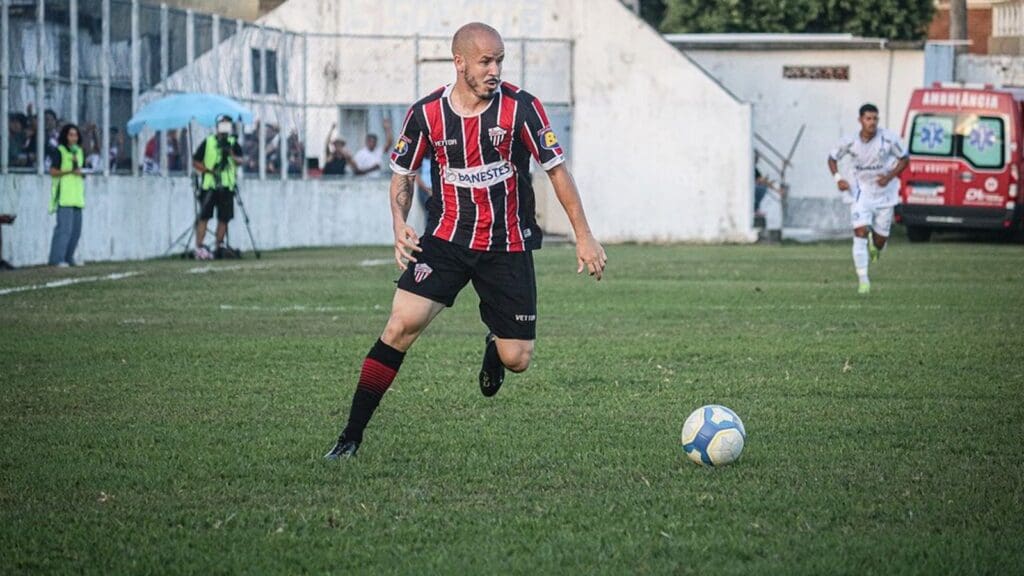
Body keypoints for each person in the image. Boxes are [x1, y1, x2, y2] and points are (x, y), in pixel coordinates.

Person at [324, 22, 607, 460]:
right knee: (399, 326)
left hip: (507, 244)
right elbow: (403, 173)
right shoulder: (426, 114)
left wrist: (583, 236)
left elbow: (556, 171)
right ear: (460, 63)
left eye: (499, 61)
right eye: (485, 61)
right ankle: (351, 435)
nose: (494, 70)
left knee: (518, 359)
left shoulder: (522, 110)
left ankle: (495, 344)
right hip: (446, 240)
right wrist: (399, 221)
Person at [828, 103, 909, 294]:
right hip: (860, 193)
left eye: (875, 119)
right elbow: (832, 158)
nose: (872, 122)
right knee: (860, 232)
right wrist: (838, 179)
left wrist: (889, 177)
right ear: (860, 120)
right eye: (868, 119)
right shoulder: (849, 141)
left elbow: (905, 158)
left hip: (884, 195)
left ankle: (876, 245)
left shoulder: (889, 139)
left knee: (880, 241)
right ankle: (863, 281)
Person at [191, 115, 244, 260]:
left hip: (227, 187)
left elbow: (241, 161)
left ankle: (218, 246)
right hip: (210, 186)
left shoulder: (233, 143)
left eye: (227, 125)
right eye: (222, 125)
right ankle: (199, 248)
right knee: (204, 217)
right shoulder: (208, 142)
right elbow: (195, 161)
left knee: (224, 218)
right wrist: (209, 171)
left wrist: (231, 155)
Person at [48, 124, 87, 267]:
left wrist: (81, 172)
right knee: (64, 230)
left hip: (77, 197)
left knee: (76, 231)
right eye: (71, 135)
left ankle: (68, 257)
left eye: (75, 135)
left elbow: (81, 172)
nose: (73, 138)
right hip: (64, 195)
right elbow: (53, 171)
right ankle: (56, 259)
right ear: (65, 136)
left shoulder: (79, 152)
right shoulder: (60, 151)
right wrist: (69, 172)